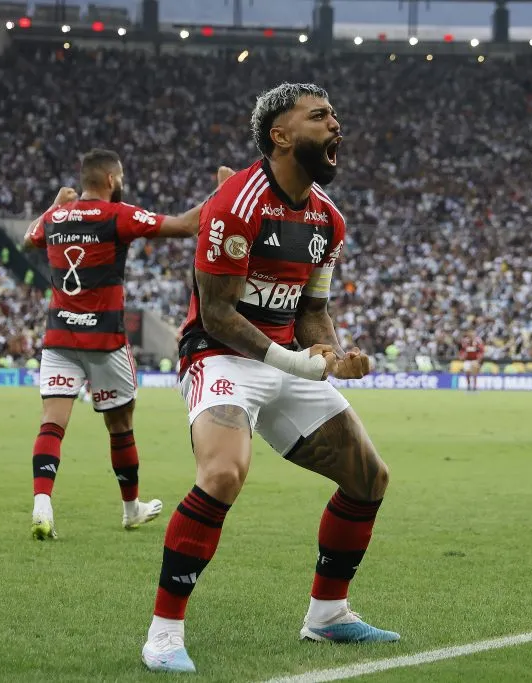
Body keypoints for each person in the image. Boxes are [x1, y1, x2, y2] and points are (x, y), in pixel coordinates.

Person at [141, 83, 397, 674]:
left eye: (335, 114)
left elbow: (311, 312)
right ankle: (162, 634)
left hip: (287, 358)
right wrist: (293, 361)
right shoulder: (236, 203)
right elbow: (217, 312)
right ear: (280, 136)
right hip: (221, 356)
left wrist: (334, 354)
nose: (336, 125)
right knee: (223, 472)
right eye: (319, 117)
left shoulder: (328, 221)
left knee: (368, 477)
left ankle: (328, 616)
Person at [23, 148, 233, 540]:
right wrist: (223, 193)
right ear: (109, 180)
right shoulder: (117, 215)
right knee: (121, 425)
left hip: (58, 337)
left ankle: (42, 504)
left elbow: (28, 237)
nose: (122, 183)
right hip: (104, 337)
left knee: (51, 424)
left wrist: (56, 203)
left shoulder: (55, 217)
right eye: (120, 177)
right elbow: (187, 225)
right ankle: (130, 508)